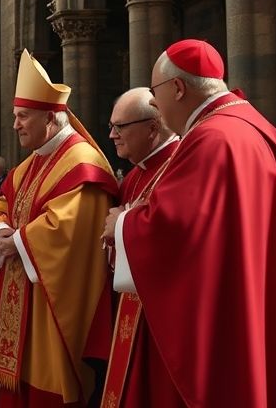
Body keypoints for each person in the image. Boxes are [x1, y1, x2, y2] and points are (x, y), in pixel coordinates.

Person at [102, 40, 276, 407]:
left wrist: (122, 223)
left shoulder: (211, 138)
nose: (156, 106)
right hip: (262, 286)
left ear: (178, 89)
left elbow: (174, 230)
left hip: (235, 307)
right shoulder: (249, 124)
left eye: (155, 94)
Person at [0, 50, 117, 407]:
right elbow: (0, 206)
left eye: (23, 116)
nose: (15, 125)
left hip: (50, 305)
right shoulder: (30, 164)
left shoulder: (82, 163)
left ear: (53, 117)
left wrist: (19, 241)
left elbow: (69, 229)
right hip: (20, 294)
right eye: (15, 116)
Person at [95, 87, 177, 407]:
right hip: (128, 311)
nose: (112, 135)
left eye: (120, 127)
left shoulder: (178, 167)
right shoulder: (131, 177)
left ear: (152, 128)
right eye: (111, 126)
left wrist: (123, 225)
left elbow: (173, 241)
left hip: (162, 316)